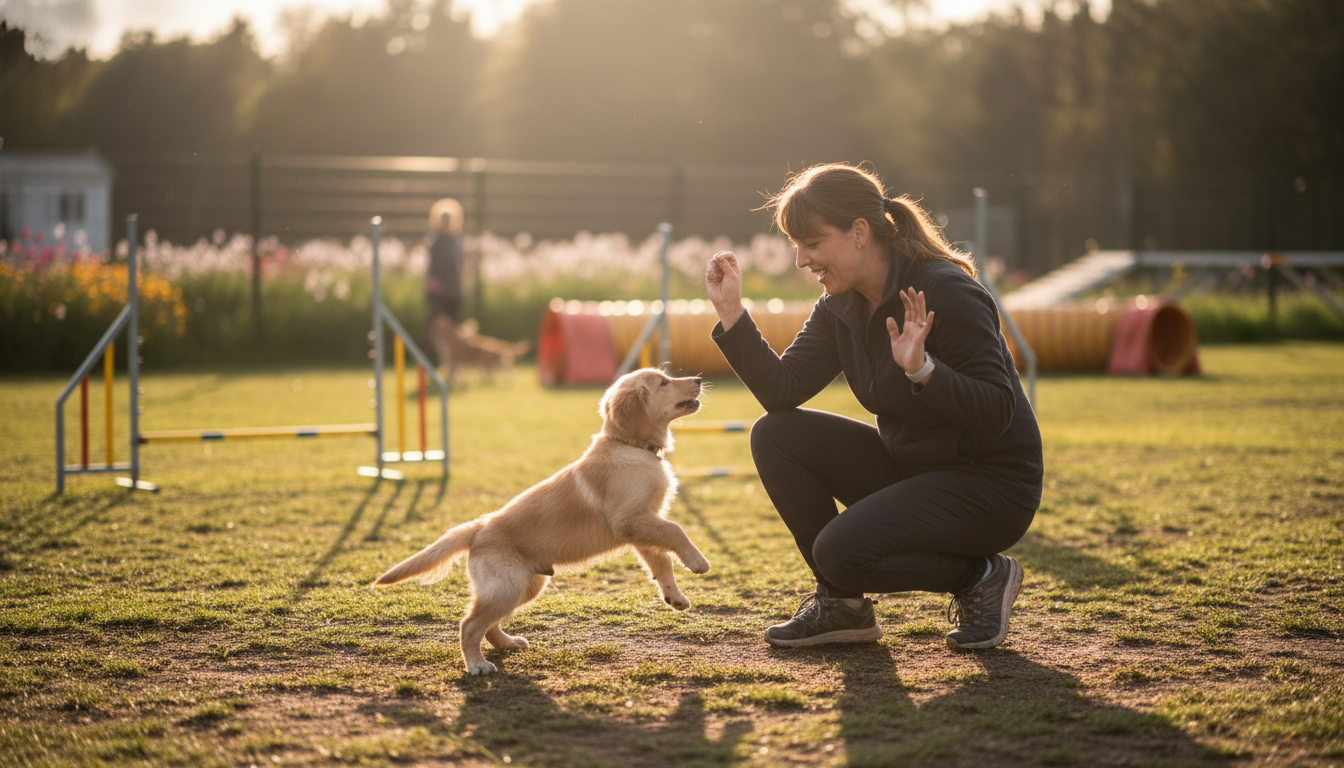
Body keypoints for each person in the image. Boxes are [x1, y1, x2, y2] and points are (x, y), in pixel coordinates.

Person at [704, 163, 1042, 651]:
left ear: (859, 232)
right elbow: (782, 390)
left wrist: (925, 370)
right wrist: (732, 313)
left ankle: (981, 574)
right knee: (775, 433)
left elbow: (996, 411)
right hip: (914, 467)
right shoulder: (840, 306)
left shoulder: (946, 291)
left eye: (812, 243)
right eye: (797, 245)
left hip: (989, 486)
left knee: (838, 552)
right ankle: (844, 607)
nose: (802, 259)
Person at [426, 198, 466, 374]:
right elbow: (431, 267)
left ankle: (455, 368)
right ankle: (431, 365)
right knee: (434, 331)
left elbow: (461, 266)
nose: (445, 224)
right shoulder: (434, 243)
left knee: (455, 333)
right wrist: (433, 282)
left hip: (454, 292)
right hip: (437, 294)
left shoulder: (457, 242)